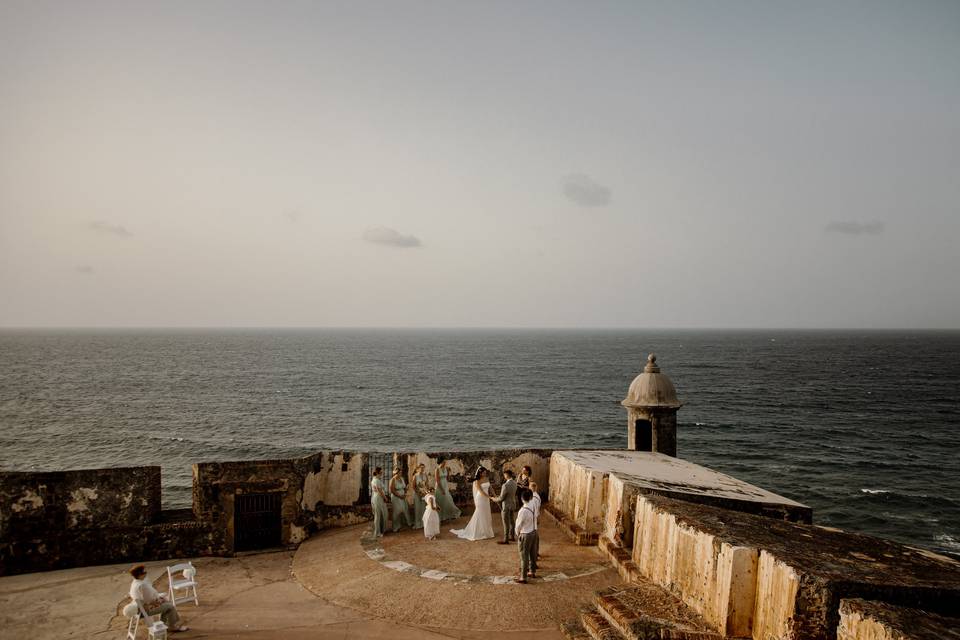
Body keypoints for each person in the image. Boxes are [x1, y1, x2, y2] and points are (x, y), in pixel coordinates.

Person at [128, 564, 188, 632]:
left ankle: (165, 624)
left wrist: (160, 598)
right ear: (140, 574)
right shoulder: (142, 585)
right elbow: (150, 600)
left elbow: (147, 598)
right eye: (144, 572)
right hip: (145, 610)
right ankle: (172, 626)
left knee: (166, 603)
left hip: (139, 608)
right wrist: (160, 599)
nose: (146, 573)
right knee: (170, 606)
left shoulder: (135, 582)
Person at [450, 467, 495, 540]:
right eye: (484, 472)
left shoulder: (486, 478)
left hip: (486, 498)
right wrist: (490, 497)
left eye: (485, 472)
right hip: (481, 498)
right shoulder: (477, 481)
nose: (485, 473)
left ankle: (486, 531)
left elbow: (490, 488)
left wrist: (495, 495)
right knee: (479, 513)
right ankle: (477, 531)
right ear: (480, 473)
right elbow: (481, 492)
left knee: (486, 513)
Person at [514, 489, 537, 583]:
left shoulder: (522, 511)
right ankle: (532, 571)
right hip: (533, 532)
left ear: (522, 499)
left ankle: (523, 577)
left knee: (524, 555)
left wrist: (517, 533)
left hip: (525, 534)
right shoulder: (533, 505)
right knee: (532, 553)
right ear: (531, 497)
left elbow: (518, 525)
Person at [490, 469, 518, 544]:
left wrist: (494, 499)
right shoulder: (515, 483)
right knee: (512, 521)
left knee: (506, 523)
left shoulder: (505, 485)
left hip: (506, 505)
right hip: (513, 504)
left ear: (506, 475)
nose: (504, 476)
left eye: (504, 475)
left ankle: (506, 539)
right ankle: (512, 536)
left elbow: (501, 498)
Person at [389, 467, 411, 532]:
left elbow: (404, 488)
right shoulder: (392, 480)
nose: (401, 473)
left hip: (402, 496)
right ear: (396, 473)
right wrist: (399, 496)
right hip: (396, 497)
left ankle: (404, 524)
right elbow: (392, 490)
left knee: (405, 509)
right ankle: (395, 527)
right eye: (400, 472)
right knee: (396, 511)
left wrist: (406, 489)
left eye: (401, 472)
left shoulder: (402, 478)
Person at [370, 467, 389, 537]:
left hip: (377, 497)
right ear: (377, 473)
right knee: (378, 515)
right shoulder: (376, 480)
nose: (382, 473)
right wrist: (385, 498)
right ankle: (377, 532)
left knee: (383, 514)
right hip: (378, 498)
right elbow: (379, 490)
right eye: (381, 472)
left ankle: (381, 529)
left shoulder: (375, 479)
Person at [412, 463, 430, 530]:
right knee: (417, 509)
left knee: (424, 508)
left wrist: (427, 492)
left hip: (424, 494)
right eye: (421, 468)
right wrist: (419, 493)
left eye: (423, 468)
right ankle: (418, 524)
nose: (422, 469)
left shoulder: (425, 475)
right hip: (417, 494)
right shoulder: (415, 476)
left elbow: (427, 484)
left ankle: (424, 523)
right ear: (418, 468)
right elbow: (413, 486)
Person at [529, 481, 543, 561]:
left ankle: (535, 554)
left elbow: (535, 510)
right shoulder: (536, 495)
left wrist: (537, 518)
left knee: (534, 537)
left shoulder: (533, 498)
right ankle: (536, 553)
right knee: (535, 537)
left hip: (533, 519)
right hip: (535, 518)